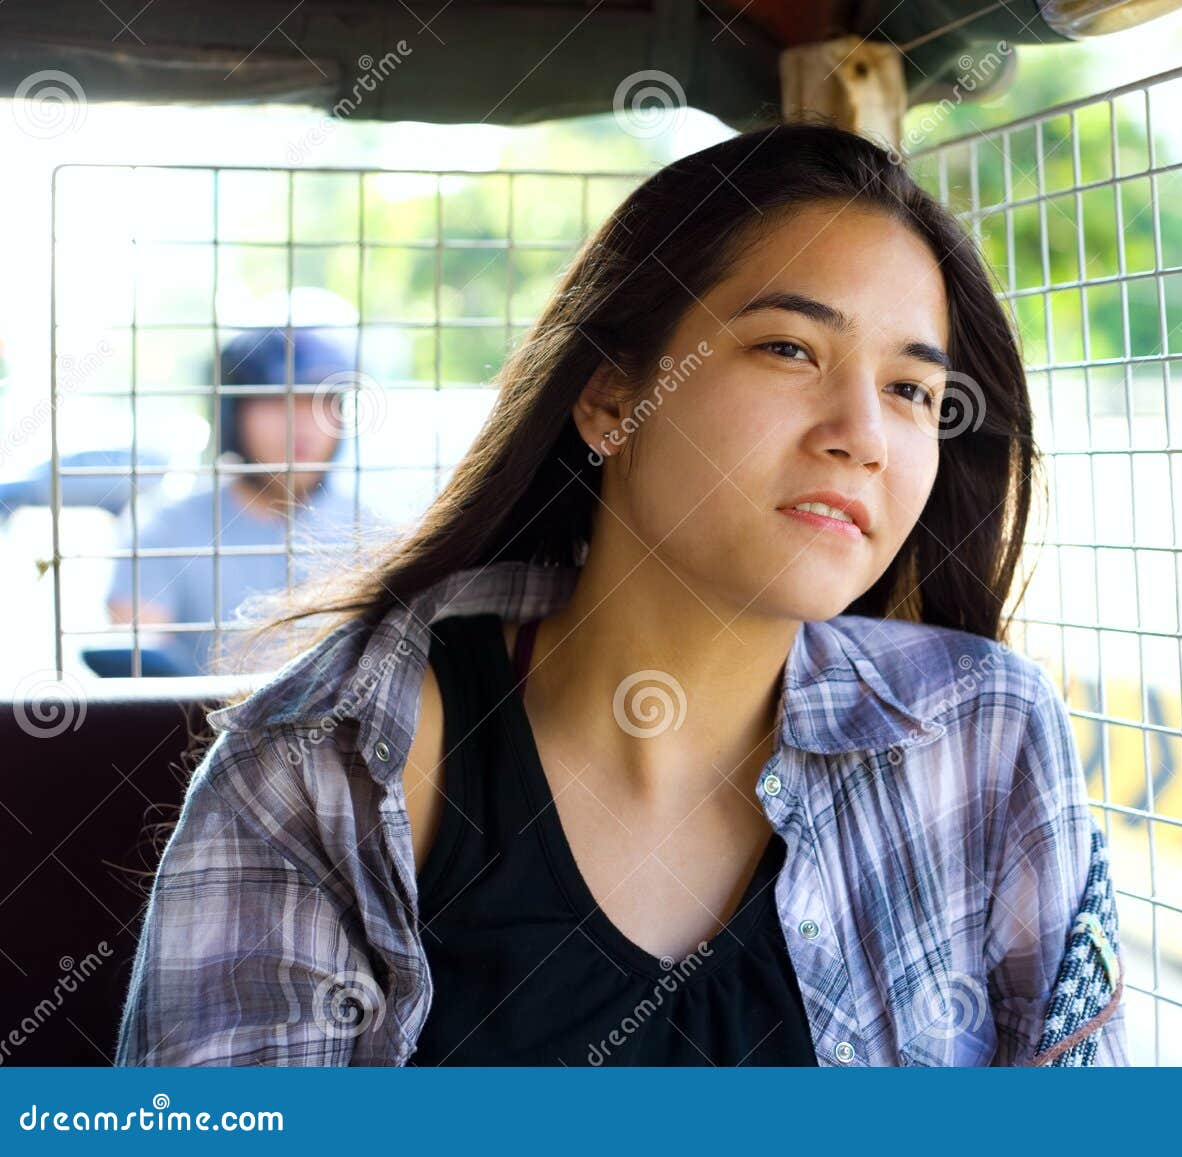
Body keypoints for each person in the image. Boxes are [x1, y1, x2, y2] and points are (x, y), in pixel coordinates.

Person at [113, 121, 1129, 1067]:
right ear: (610, 399)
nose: (863, 432)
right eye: (789, 348)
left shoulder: (986, 734)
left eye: (912, 389)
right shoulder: (325, 759)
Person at [105, 326, 385, 675]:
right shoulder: (164, 528)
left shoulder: (373, 533)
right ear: (232, 414)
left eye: (320, 401)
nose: (301, 423)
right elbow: (140, 666)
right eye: (275, 401)